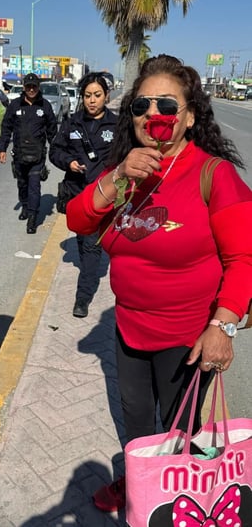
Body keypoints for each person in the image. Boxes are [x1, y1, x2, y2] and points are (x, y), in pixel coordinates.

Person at [66, 54, 252, 513]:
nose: (154, 115)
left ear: (188, 117)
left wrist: (223, 327)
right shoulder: (128, 171)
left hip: (188, 337)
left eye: (167, 105)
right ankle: (138, 484)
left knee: (178, 427)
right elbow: (78, 219)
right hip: (130, 329)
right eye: (142, 105)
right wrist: (117, 176)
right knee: (134, 420)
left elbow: (244, 258)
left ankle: (179, 499)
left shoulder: (214, 175)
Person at [49, 73, 117, 318]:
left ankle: (82, 298)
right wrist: (69, 163)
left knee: (91, 247)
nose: (92, 100)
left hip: (101, 196)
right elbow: (55, 151)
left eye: (97, 95)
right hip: (76, 194)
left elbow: (125, 157)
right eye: (87, 95)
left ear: (106, 96)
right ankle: (87, 274)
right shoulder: (71, 123)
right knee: (82, 242)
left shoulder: (116, 125)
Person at [0, 73, 57, 234]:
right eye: (28, 86)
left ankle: (32, 218)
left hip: (37, 155)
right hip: (19, 154)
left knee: (34, 187)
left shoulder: (45, 106)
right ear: (24, 88)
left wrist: (57, 149)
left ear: (38, 87)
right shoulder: (15, 105)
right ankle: (25, 206)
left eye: (34, 86)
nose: (31, 89)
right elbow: (6, 127)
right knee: (22, 184)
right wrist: (2, 149)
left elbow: (52, 130)